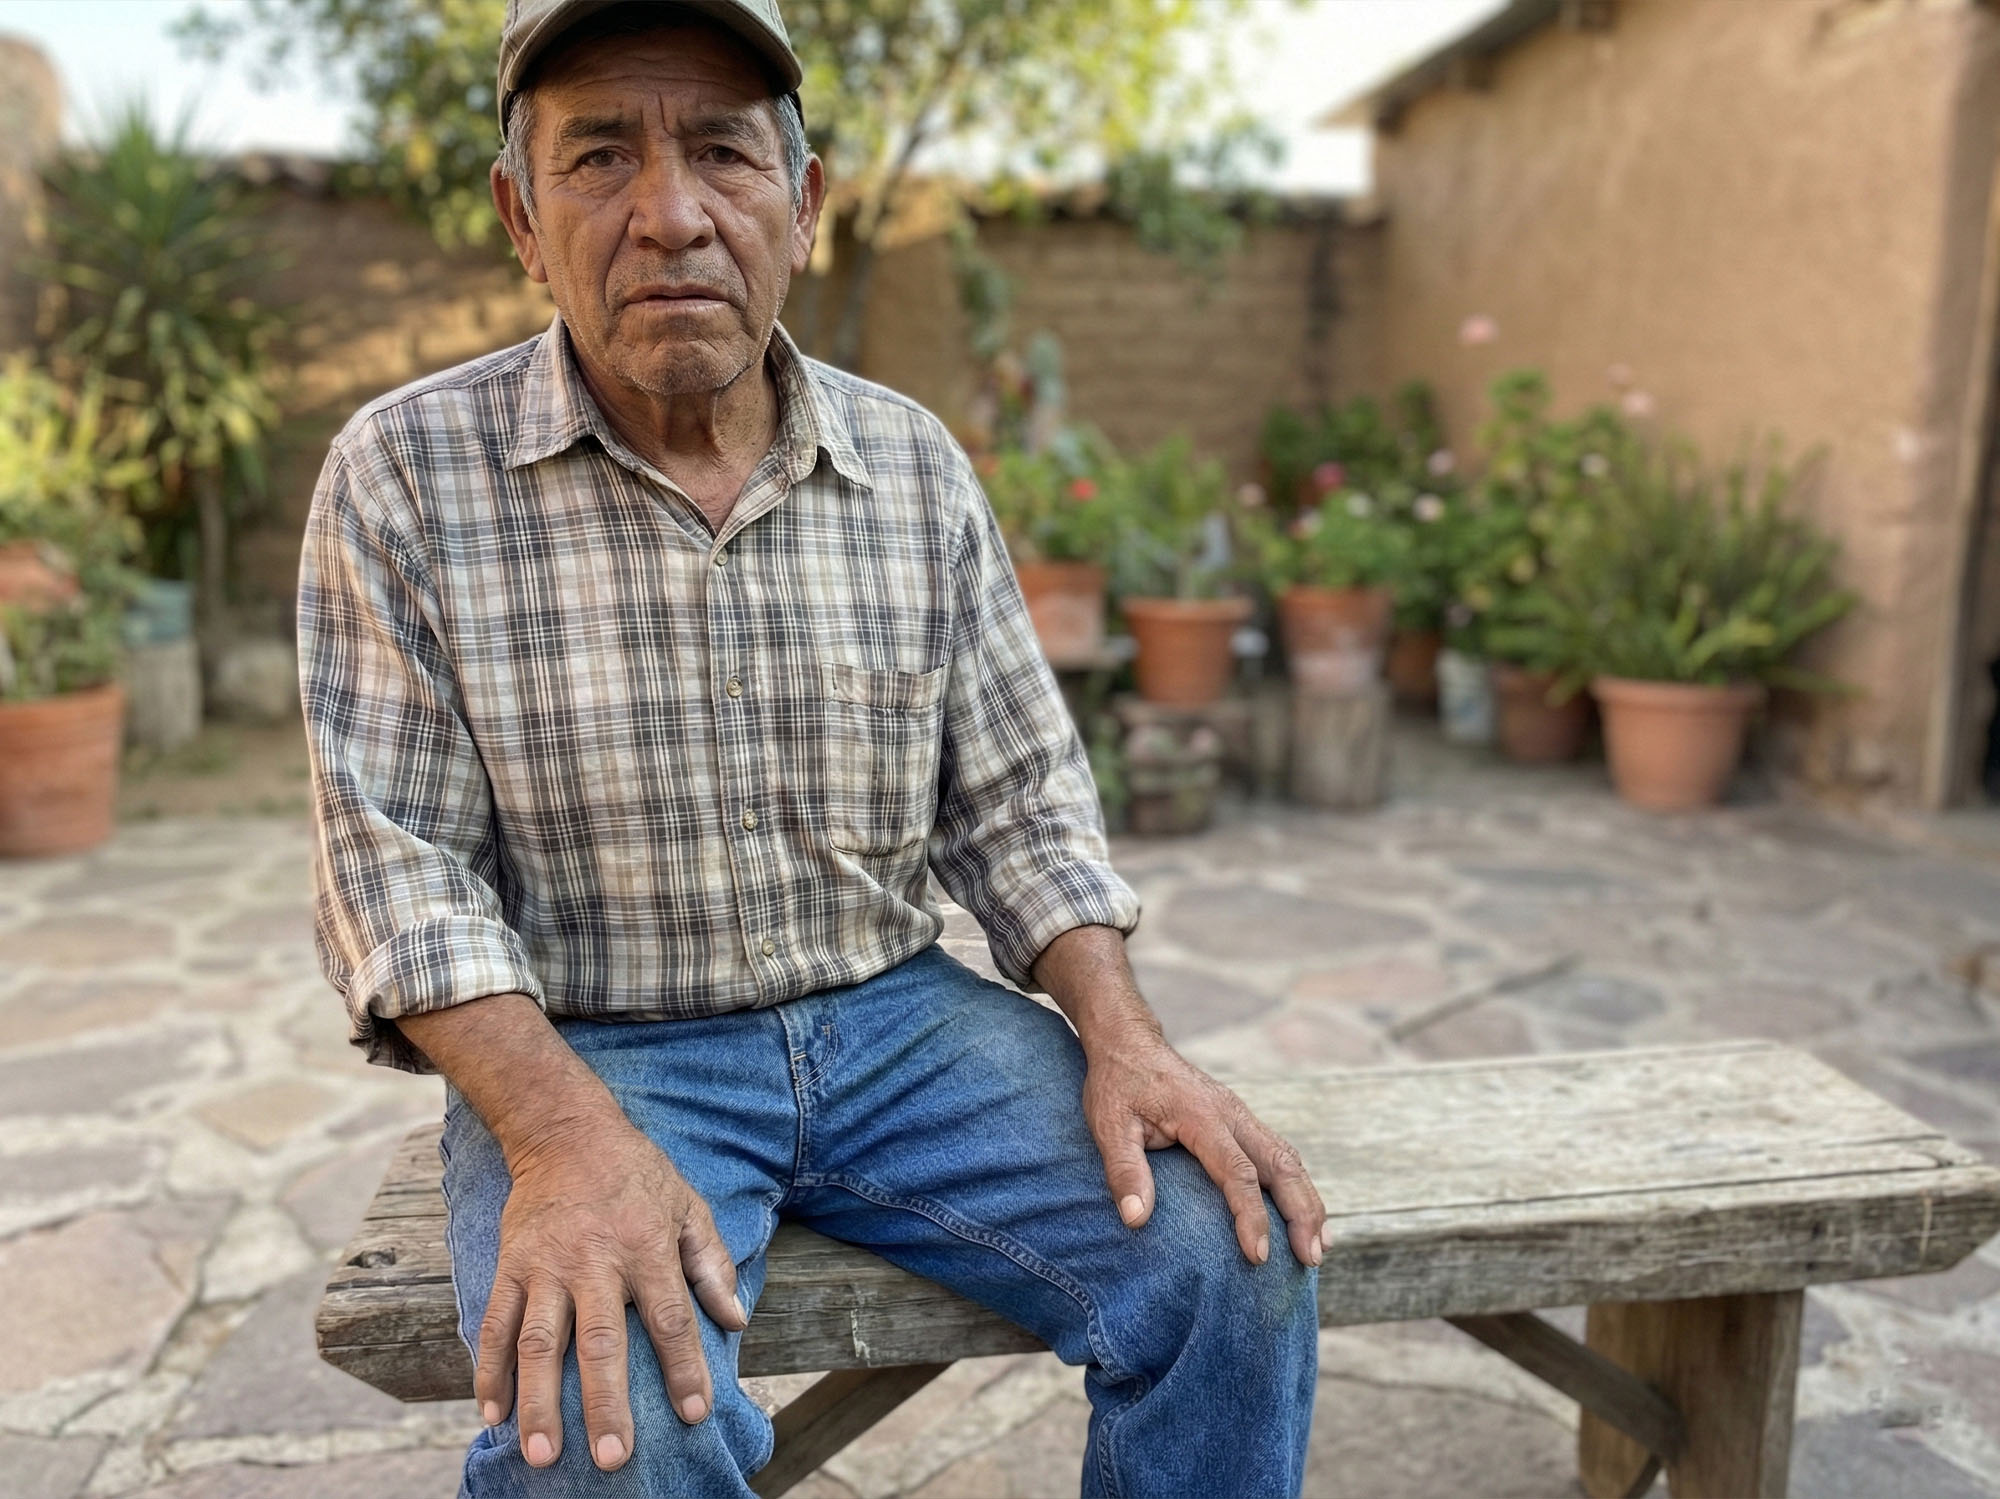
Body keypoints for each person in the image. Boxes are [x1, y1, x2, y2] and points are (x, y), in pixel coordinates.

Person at [298, 1, 1325, 1492]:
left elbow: (1023, 800)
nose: (671, 214)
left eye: (724, 152)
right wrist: (560, 1140)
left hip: (903, 1025)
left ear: (807, 203)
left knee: (1232, 1252)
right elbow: (394, 873)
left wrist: (1126, 1036)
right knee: (605, 1435)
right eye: (600, 157)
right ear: (522, 219)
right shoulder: (401, 475)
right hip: (597, 1051)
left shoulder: (910, 463)